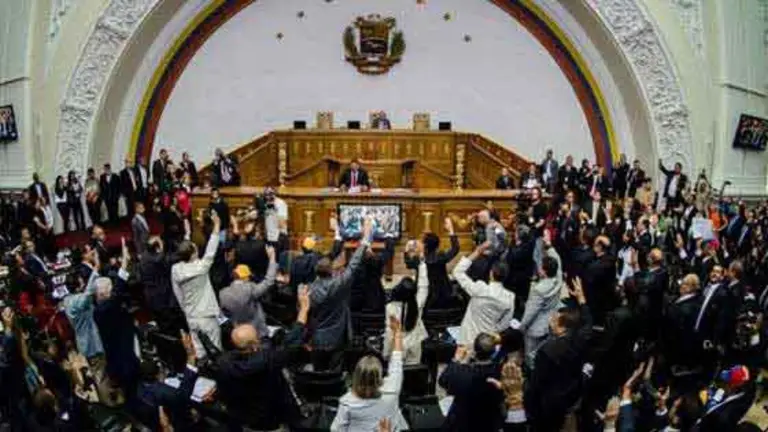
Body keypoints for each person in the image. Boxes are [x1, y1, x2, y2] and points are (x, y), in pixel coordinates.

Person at [216, 286, 311, 431]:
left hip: (246, 420)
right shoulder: (269, 360)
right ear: (255, 345)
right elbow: (292, 340)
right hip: (272, 418)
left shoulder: (224, 364)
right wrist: (304, 309)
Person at [524, 278, 593, 432]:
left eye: (554, 320)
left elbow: (537, 382)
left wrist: (528, 403)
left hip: (550, 400)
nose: (551, 321)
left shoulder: (547, 351)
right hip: (572, 391)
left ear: (562, 327)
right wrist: (582, 299)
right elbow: (588, 321)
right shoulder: (582, 338)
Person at [308, 218, 372, 370]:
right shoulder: (339, 284)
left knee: (318, 371)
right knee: (336, 371)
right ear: (331, 270)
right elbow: (353, 264)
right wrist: (365, 239)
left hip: (318, 337)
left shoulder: (309, 289)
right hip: (338, 337)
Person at [331, 316, 407, 431]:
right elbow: (397, 360)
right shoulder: (392, 390)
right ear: (379, 376)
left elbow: (336, 430)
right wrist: (397, 333)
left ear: (356, 376)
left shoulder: (347, 402)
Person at [171, 211, 222, 358]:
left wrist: (187, 234)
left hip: (191, 316)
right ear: (193, 254)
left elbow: (178, 294)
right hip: (206, 316)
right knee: (215, 352)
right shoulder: (201, 267)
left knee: (199, 352)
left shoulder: (175, 269)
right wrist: (217, 226)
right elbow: (211, 249)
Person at [452, 243, 516, 347]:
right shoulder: (510, 297)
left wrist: (477, 252)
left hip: (468, 338)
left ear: (491, 274)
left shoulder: (480, 288)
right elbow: (505, 324)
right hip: (488, 342)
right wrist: (491, 330)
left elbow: (457, 271)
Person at [438, 334, 504, 431]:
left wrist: (456, 360)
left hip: (462, 424)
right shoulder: (501, 372)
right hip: (488, 425)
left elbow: (442, 381)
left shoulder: (461, 373)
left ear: (475, 351)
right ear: (494, 352)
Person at [136, 331, 199, 431]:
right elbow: (183, 393)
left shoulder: (139, 387)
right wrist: (190, 354)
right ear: (157, 375)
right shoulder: (166, 392)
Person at [219, 247, 277, 342]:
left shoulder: (222, 293)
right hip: (257, 333)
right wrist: (272, 258)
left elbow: (222, 315)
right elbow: (269, 281)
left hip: (239, 335)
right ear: (245, 278)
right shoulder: (250, 289)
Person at [519, 247, 562, 364]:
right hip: (549, 324)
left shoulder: (538, 290)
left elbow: (530, 312)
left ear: (544, 271)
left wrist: (521, 328)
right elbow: (559, 264)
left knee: (530, 357)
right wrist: (551, 248)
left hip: (535, 329)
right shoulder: (558, 281)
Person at [139, 236, 187, 337]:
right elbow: (174, 257)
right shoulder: (157, 259)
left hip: (152, 299)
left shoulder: (144, 257)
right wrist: (161, 246)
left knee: (164, 327)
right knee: (172, 327)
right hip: (163, 300)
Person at [383, 260, 428, 363]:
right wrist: (422, 264)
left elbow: (389, 332)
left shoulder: (390, 308)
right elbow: (424, 287)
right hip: (414, 344)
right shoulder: (418, 303)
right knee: (413, 369)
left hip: (397, 345)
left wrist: (385, 353)